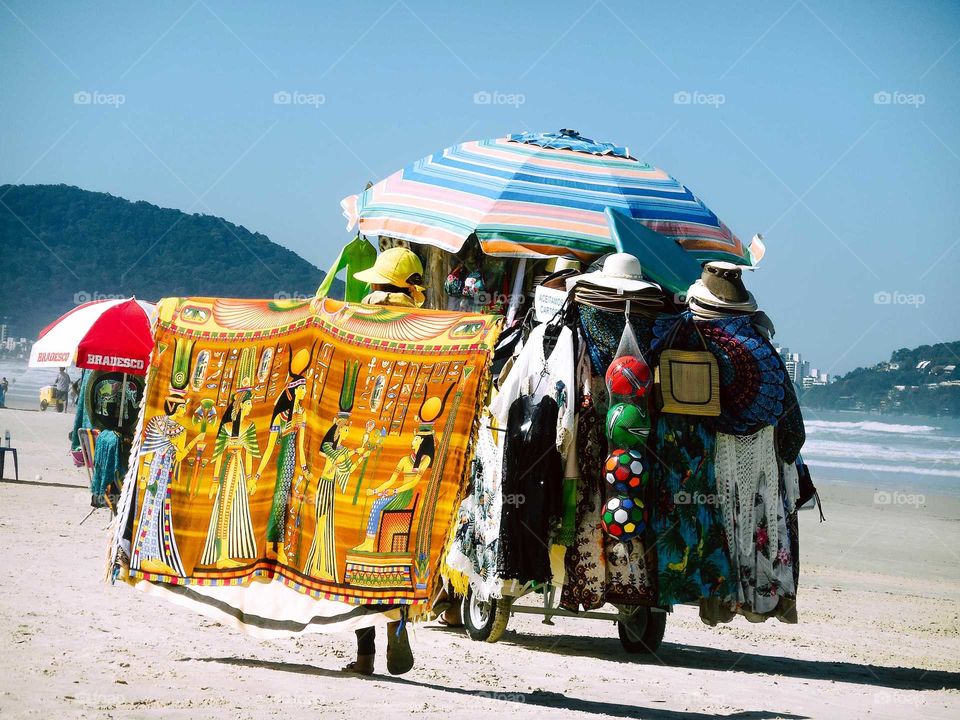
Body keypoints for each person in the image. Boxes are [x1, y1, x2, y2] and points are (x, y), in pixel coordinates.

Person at [343, 247, 426, 677]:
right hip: (410, 457)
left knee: (358, 553)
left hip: (364, 452)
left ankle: (364, 657)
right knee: (397, 553)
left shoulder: (359, 321)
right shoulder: (429, 329)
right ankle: (398, 620)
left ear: (379, 285)